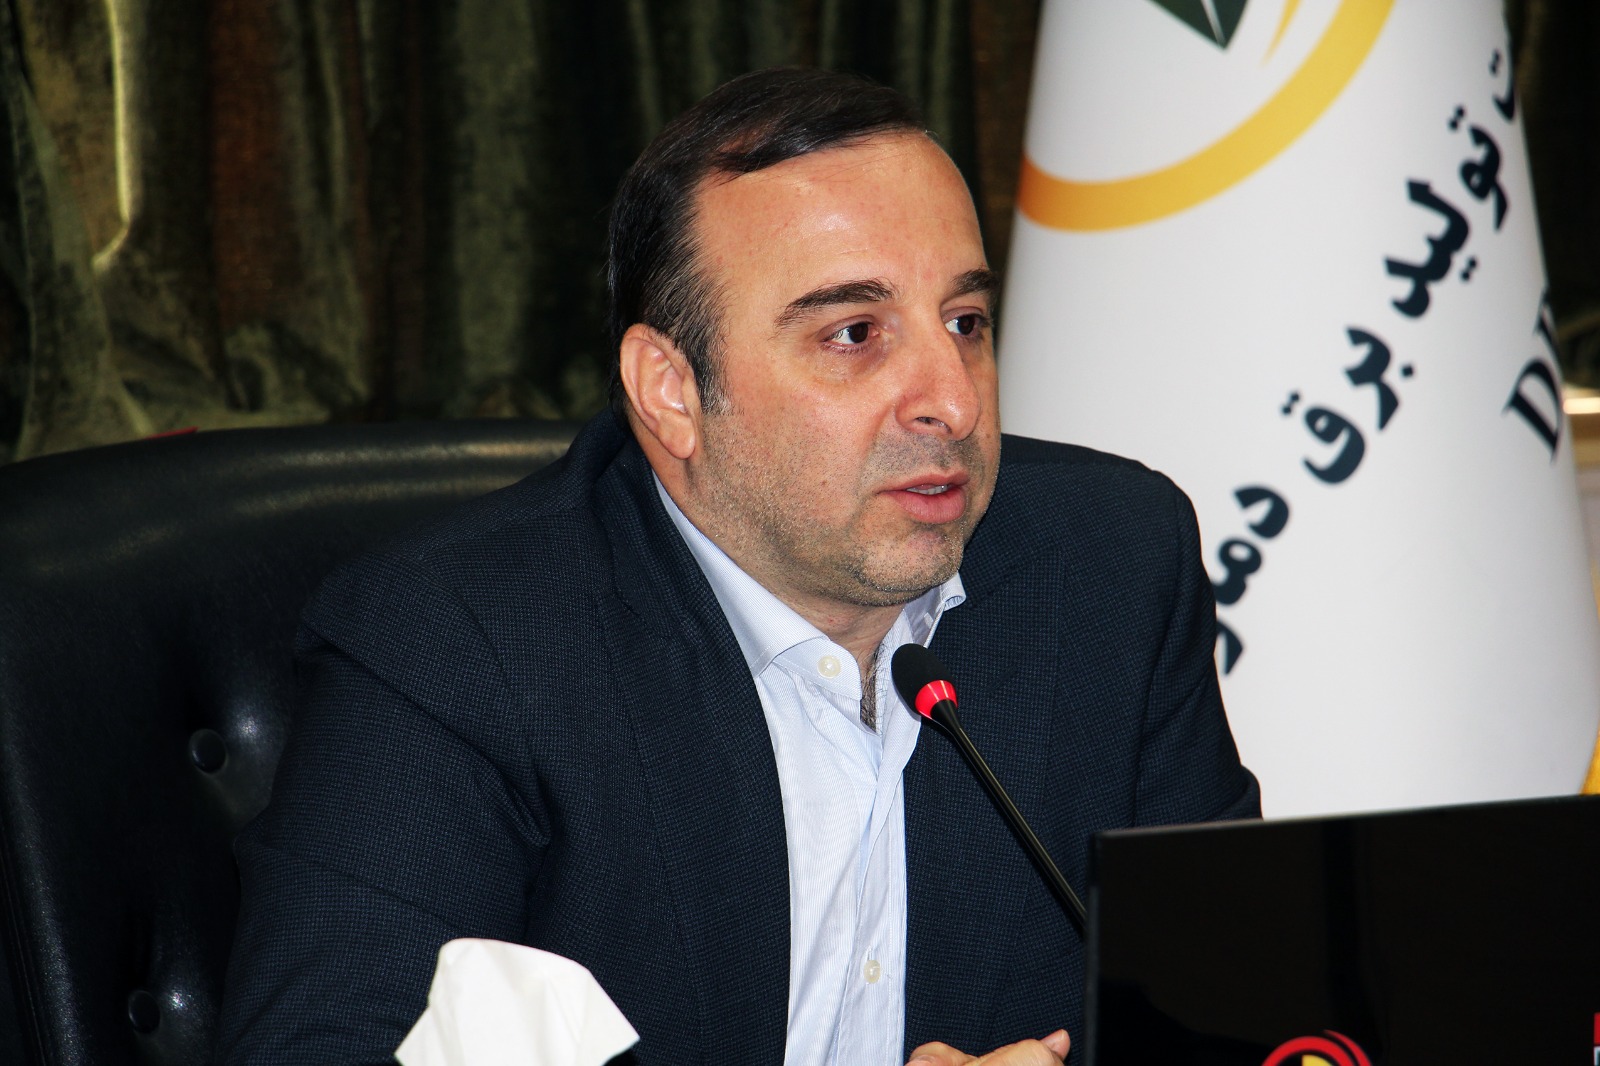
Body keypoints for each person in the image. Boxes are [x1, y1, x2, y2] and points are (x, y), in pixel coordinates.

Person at [218, 67, 1259, 1065]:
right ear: (671, 391)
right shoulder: (457, 643)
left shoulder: (1113, 567)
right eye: (855, 333)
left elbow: (1231, 1016)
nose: (952, 397)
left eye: (966, 321)